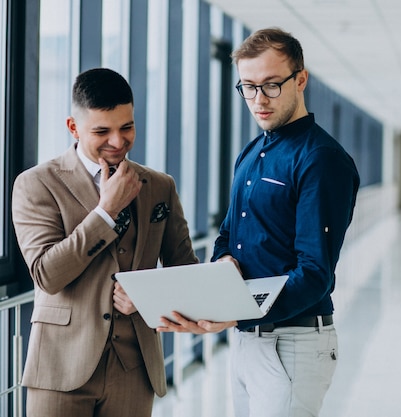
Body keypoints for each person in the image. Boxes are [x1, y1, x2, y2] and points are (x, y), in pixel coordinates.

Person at [158, 27, 360, 417]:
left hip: (295, 341)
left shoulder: (321, 159)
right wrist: (223, 267)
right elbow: (229, 237)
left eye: (270, 86)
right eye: (248, 87)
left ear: (300, 79)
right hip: (249, 340)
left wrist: (233, 313)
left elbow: (315, 272)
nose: (258, 100)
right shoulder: (251, 153)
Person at [11, 68, 198, 417]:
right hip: (60, 367)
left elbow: (185, 272)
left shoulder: (160, 186)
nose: (117, 140)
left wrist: (148, 297)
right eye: (102, 131)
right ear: (73, 127)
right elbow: (47, 274)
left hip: (135, 370)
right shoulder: (36, 184)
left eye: (126, 127)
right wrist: (106, 212)